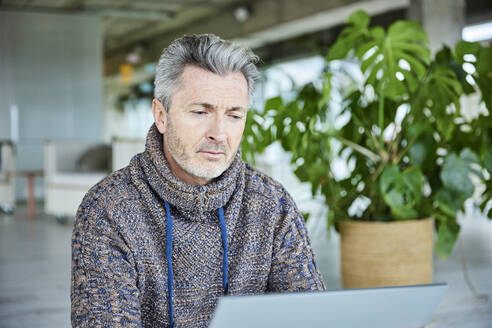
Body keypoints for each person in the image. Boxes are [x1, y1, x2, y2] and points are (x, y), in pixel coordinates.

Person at [71, 33, 325, 328]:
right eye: (201, 112)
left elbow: (310, 317)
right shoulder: (109, 210)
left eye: (233, 115)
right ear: (161, 115)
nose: (219, 133)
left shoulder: (272, 204)